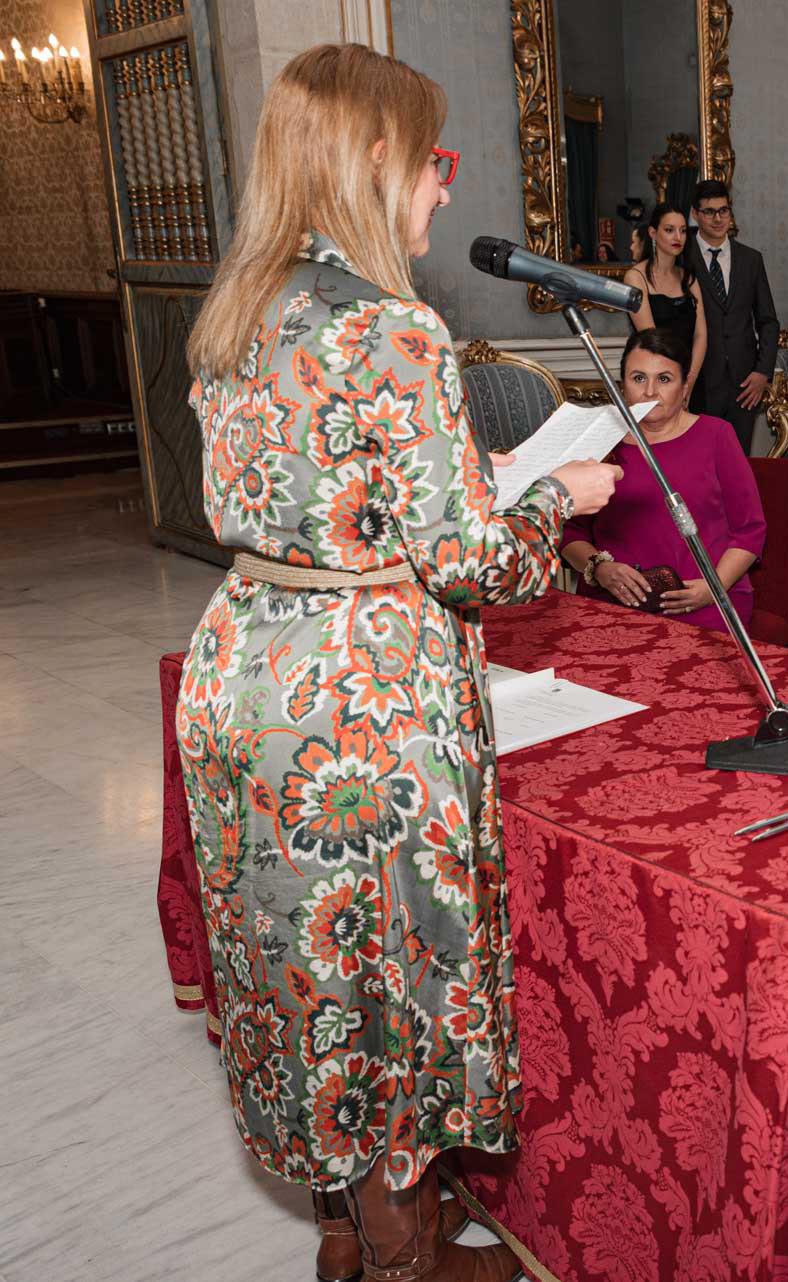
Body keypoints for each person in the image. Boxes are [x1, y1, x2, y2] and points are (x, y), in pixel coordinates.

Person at [177, 42, 621, 1282]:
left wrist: (477, 485)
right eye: (436, 159)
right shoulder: (394, 330)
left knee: (307, 968)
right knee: (389, 972)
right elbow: (471, 561)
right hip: (360, 699)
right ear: (378, 159)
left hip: (245, 671)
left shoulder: (239, 310)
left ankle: (345, 1232)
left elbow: (312, 491)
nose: (445, 183)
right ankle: (407, 1257)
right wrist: (560, 500)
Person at [560, 328, 765, 632]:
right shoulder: (600, 443)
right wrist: (599, 568)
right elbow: (569, 532)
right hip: (612, 599)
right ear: (622, 386)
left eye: (665, 379)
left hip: (703, 599)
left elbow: (749, 530)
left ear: (685, 388)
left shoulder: (716, 435)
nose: (650, 392)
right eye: (638, 378)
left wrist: (713, 587)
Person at [684, 179, 781, 455]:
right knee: (700, 460)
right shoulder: (683, 258)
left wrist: (762, 372)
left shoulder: (751, 259)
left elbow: (768, 321)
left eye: (723, 210)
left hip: (745, 384)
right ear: (695, 214)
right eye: (709, 212)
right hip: (700, 381)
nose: (718, 219)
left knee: (737, 461)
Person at [623, 203, 707, 391]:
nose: (678, 237)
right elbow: (652, 338)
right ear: (653, 233)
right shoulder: (635, 277)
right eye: (669, 230)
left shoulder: (689, 278)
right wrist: (676, 383)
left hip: (691, 378)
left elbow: (701, 334)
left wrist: (690, 379)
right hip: (656, 379)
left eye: (683, 231)